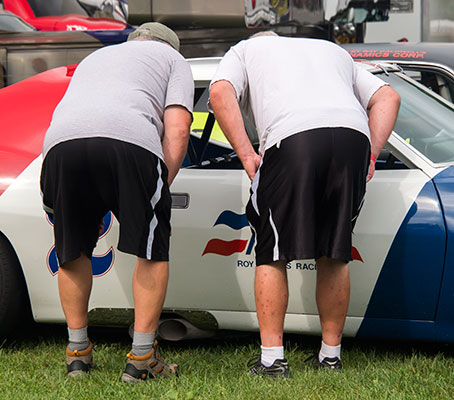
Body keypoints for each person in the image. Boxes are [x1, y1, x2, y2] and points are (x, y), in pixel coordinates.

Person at [209, 31, 400, 377]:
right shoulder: (331, 50)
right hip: (352, 137)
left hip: (293, 137)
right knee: (335, 250)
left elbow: (220, 92)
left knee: (273, 249)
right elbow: (389, 97)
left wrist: (247, 154)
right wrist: (371, 153)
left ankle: (272, 360)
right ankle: (330, 356)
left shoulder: (246, 49)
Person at [40, 22, 193, 382]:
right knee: (151, 251)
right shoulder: (173, 60)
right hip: (130, 140)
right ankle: (142, 358)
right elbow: (178, 129)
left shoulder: (97, 56)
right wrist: (161, 187)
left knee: (73, 250)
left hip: (61, 146)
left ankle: (78, 353)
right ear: (170, 46)